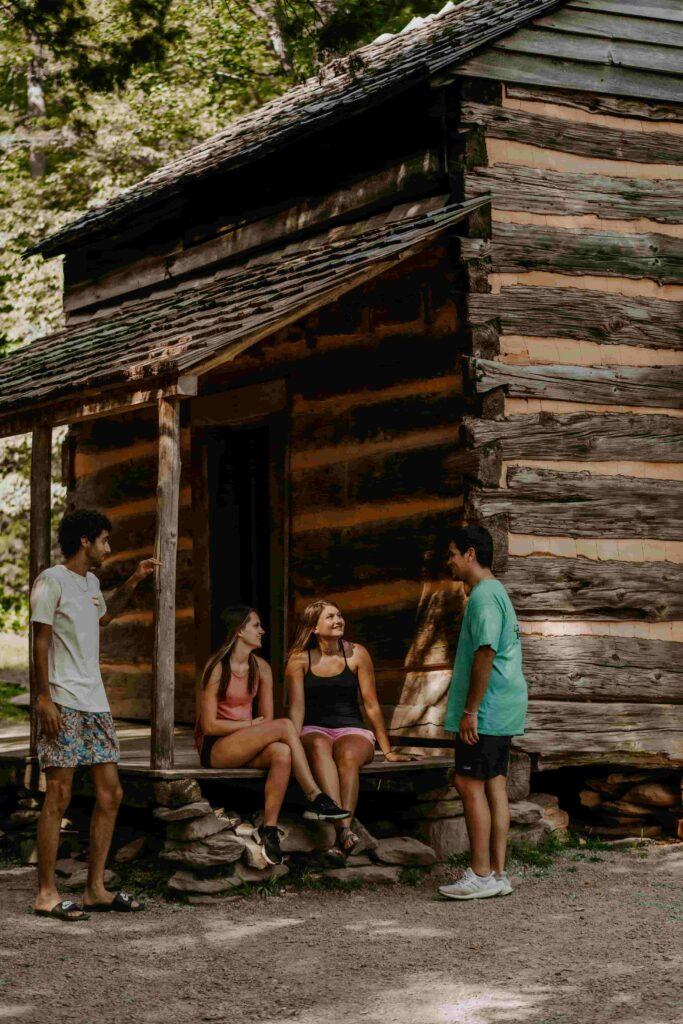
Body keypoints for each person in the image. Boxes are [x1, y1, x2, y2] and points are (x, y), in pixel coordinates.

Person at [30, 508, 158, 920]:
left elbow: (105, 615)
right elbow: (40, 641)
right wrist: (43, 698)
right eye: (104, 539)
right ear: (85, 540)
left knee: (111, 793)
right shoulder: (52, 581)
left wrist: (135, 580)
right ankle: (46, 893)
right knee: (59, 794)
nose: (109, 546)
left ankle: (95, 889)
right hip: (62, 699)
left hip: (95, 702)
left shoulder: (91, 582)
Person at [196, 605, 349, 867]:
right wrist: (248, 724)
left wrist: (255, 727)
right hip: (217, 748)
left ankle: (268, 829)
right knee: (285, 726)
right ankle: (314, 795)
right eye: (256, 626)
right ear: (239, 630)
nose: (262, 631)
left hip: (248, 742)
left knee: (283, 751)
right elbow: (209, 725)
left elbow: (267, 722)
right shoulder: (216, 668)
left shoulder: (261, 668)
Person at [437, 525, 528, 901]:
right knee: (493, 784)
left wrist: (470, 710)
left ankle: (480, 874)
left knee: (468, 782)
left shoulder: (483, 598)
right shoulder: (496, 592)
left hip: (488, 708)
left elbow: (485, 652)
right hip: (503, 704)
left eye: (453, 554)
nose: (450, 561)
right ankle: (498, 874)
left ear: (470, 554)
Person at [286, 599, 411, 858]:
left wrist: (387, 751)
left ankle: (342, 830)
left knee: (347, 755)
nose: (338, 620)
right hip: (313, 729)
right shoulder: (298, 660)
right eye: (330, 617)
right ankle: (343, 828)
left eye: (339, 615)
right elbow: (296, 709)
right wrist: (293, 744)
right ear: (314, 628)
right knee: (320, 746)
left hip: (352, 730)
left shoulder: (356, 653)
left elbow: (371, 705)